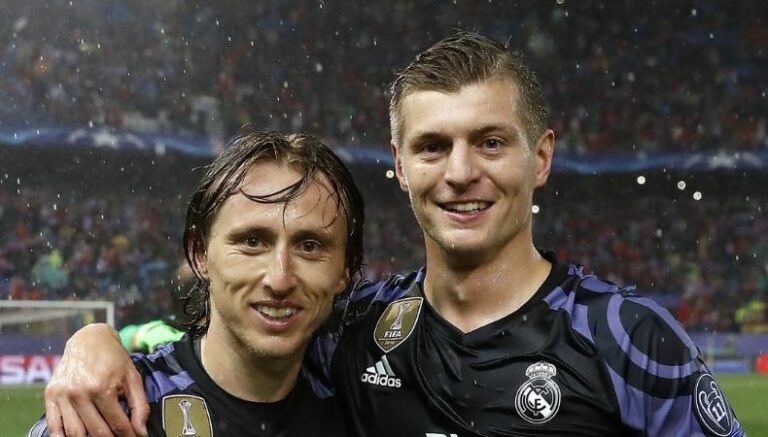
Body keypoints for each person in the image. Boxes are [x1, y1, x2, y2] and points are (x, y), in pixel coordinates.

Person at [42, 31, 744, 437]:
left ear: (541, 157)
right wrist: (93, 342)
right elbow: (231, 339)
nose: (460, 172)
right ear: (402, 166)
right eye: (433, 146)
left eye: (490, 141)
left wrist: (94, 338)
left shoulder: (628, 339)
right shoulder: (353, 331)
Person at [31, 130, 364, 437]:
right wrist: (91, 337)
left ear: (346, 269)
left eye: (310, 246)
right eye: (252, 241)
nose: (279, 279)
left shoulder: (368, 403)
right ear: (199, 253)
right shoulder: (118, 414)